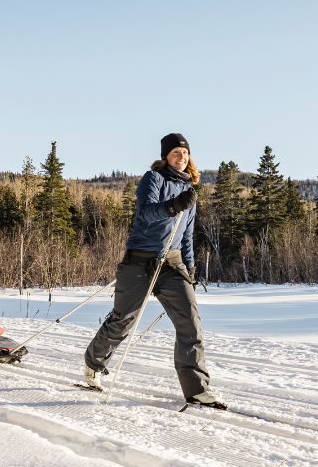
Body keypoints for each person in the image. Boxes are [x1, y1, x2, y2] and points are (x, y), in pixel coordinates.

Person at [81, 133, 223, 410]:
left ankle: (196, 389)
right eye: (175, 153)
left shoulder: (190, 191)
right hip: (139, 261)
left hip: (172, 264)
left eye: (185, 152)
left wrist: (190, 266)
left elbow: (187, 235)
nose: (181, 157)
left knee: (189, 321)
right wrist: (173, 206)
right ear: (166, 157)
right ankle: (93, 364)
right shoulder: (153, 179)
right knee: (123, 321)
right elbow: (145, 212)